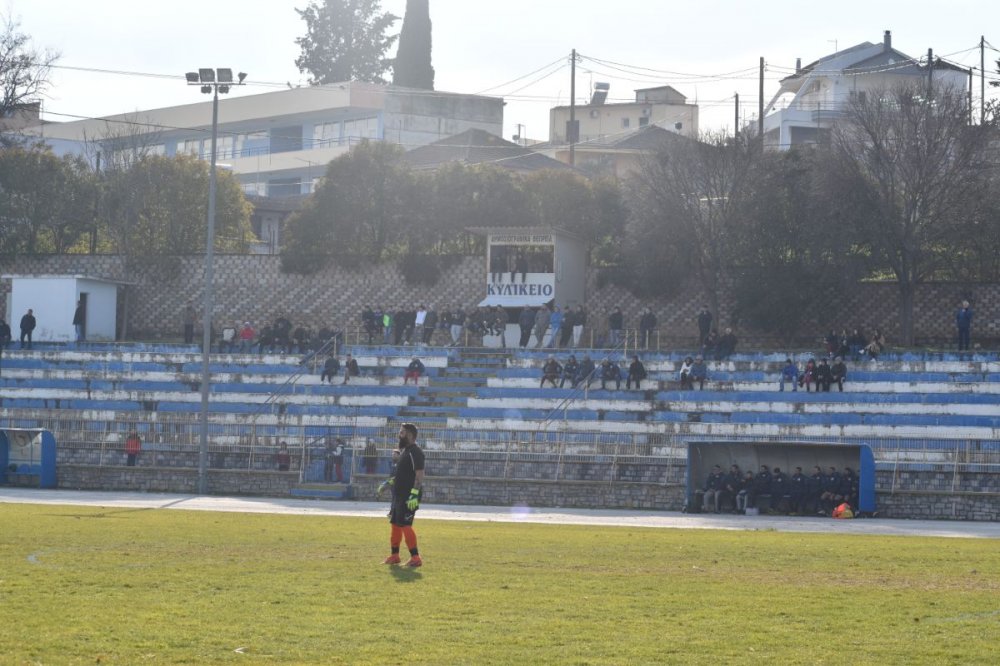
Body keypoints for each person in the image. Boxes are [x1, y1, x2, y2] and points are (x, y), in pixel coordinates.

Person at [381, 423, 425, 568]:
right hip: (398, 496)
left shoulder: (416, 452)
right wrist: (389, 482)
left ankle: (415, 557)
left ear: (410, 435)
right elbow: (403, 475)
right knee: (395, 525)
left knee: (406, 526)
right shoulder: (405, 451)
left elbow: (419, 474)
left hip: (408, 496)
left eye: (402, 432)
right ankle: (395, 555)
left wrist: (414, 493)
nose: (399, 434)